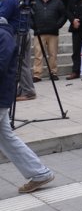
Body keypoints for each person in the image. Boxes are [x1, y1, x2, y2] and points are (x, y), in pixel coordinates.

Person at [0, 16, 55, 193]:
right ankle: (39, 174)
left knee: (7, 138)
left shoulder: (3, 35)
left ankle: (40, 173)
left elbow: (2, 65)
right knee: (6, 138)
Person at [0, 0, 36, 101]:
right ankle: (22, 89)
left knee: (18, 63)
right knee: (24, 62)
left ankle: (28, 91)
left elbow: (3, 16)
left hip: (14, 33)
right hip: (25, 32)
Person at [30, 0, 67, 81]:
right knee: (38, 54)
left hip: (53, 33)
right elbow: (28, 15)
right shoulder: (34, 1)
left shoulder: (58, 1)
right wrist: (33, 26)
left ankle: (53, 73)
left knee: (53, 54)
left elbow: (63, 15)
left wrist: (57, 26)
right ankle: (37, 75)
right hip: (38, 32)